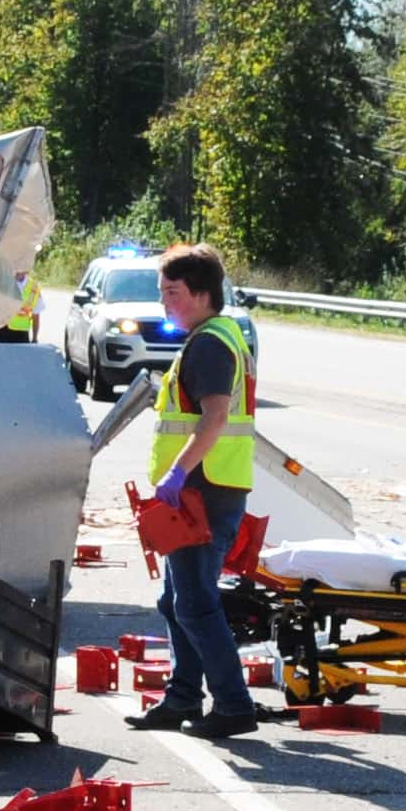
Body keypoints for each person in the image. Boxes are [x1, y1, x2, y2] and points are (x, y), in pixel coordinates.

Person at [132, 247, 260, 737]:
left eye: (173, 293)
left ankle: (233, 705)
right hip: (205, 491)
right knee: (174, 600)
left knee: (195, 602)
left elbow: (215, 418)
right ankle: (183, 696)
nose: (164, 303)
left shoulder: (209, 345)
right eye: (162, 292)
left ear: (202, 294)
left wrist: (178, 473)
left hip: (202, 493)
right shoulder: (217, 337)